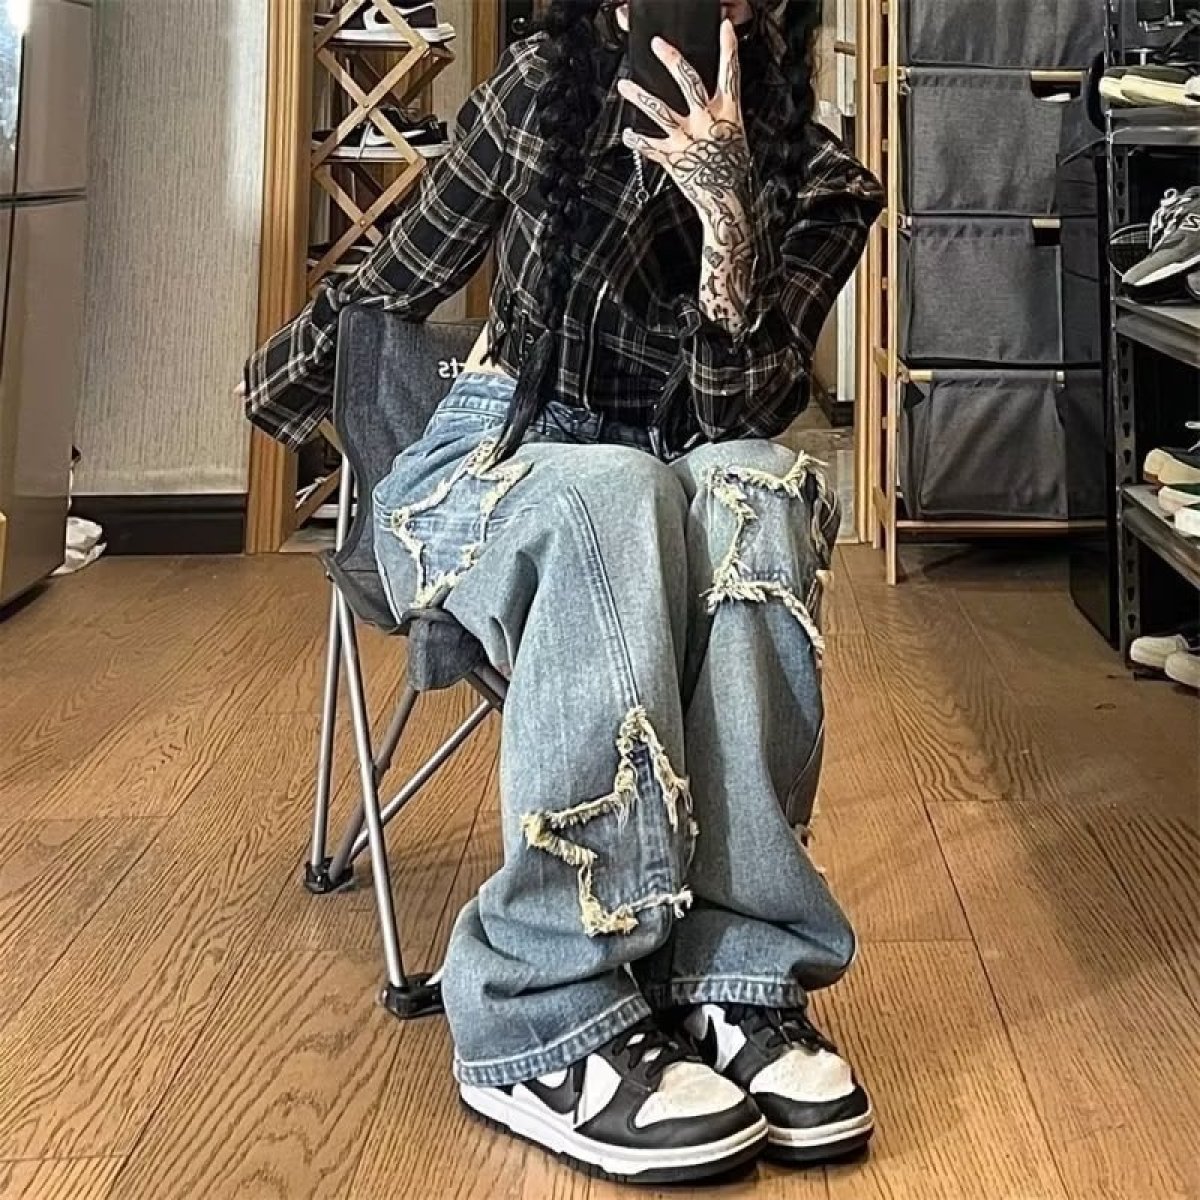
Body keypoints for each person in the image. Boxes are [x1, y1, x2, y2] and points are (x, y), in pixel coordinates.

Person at [245, 0, 883, 1185]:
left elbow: (739, 412)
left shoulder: (824, 180)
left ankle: (737, 970)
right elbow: (395, 281)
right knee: (610, 491)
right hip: (496, 462)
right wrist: (289, 400)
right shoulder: (545, 86)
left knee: (756, 483)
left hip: (669, 473)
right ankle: (541, 1002)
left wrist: (727, 210)